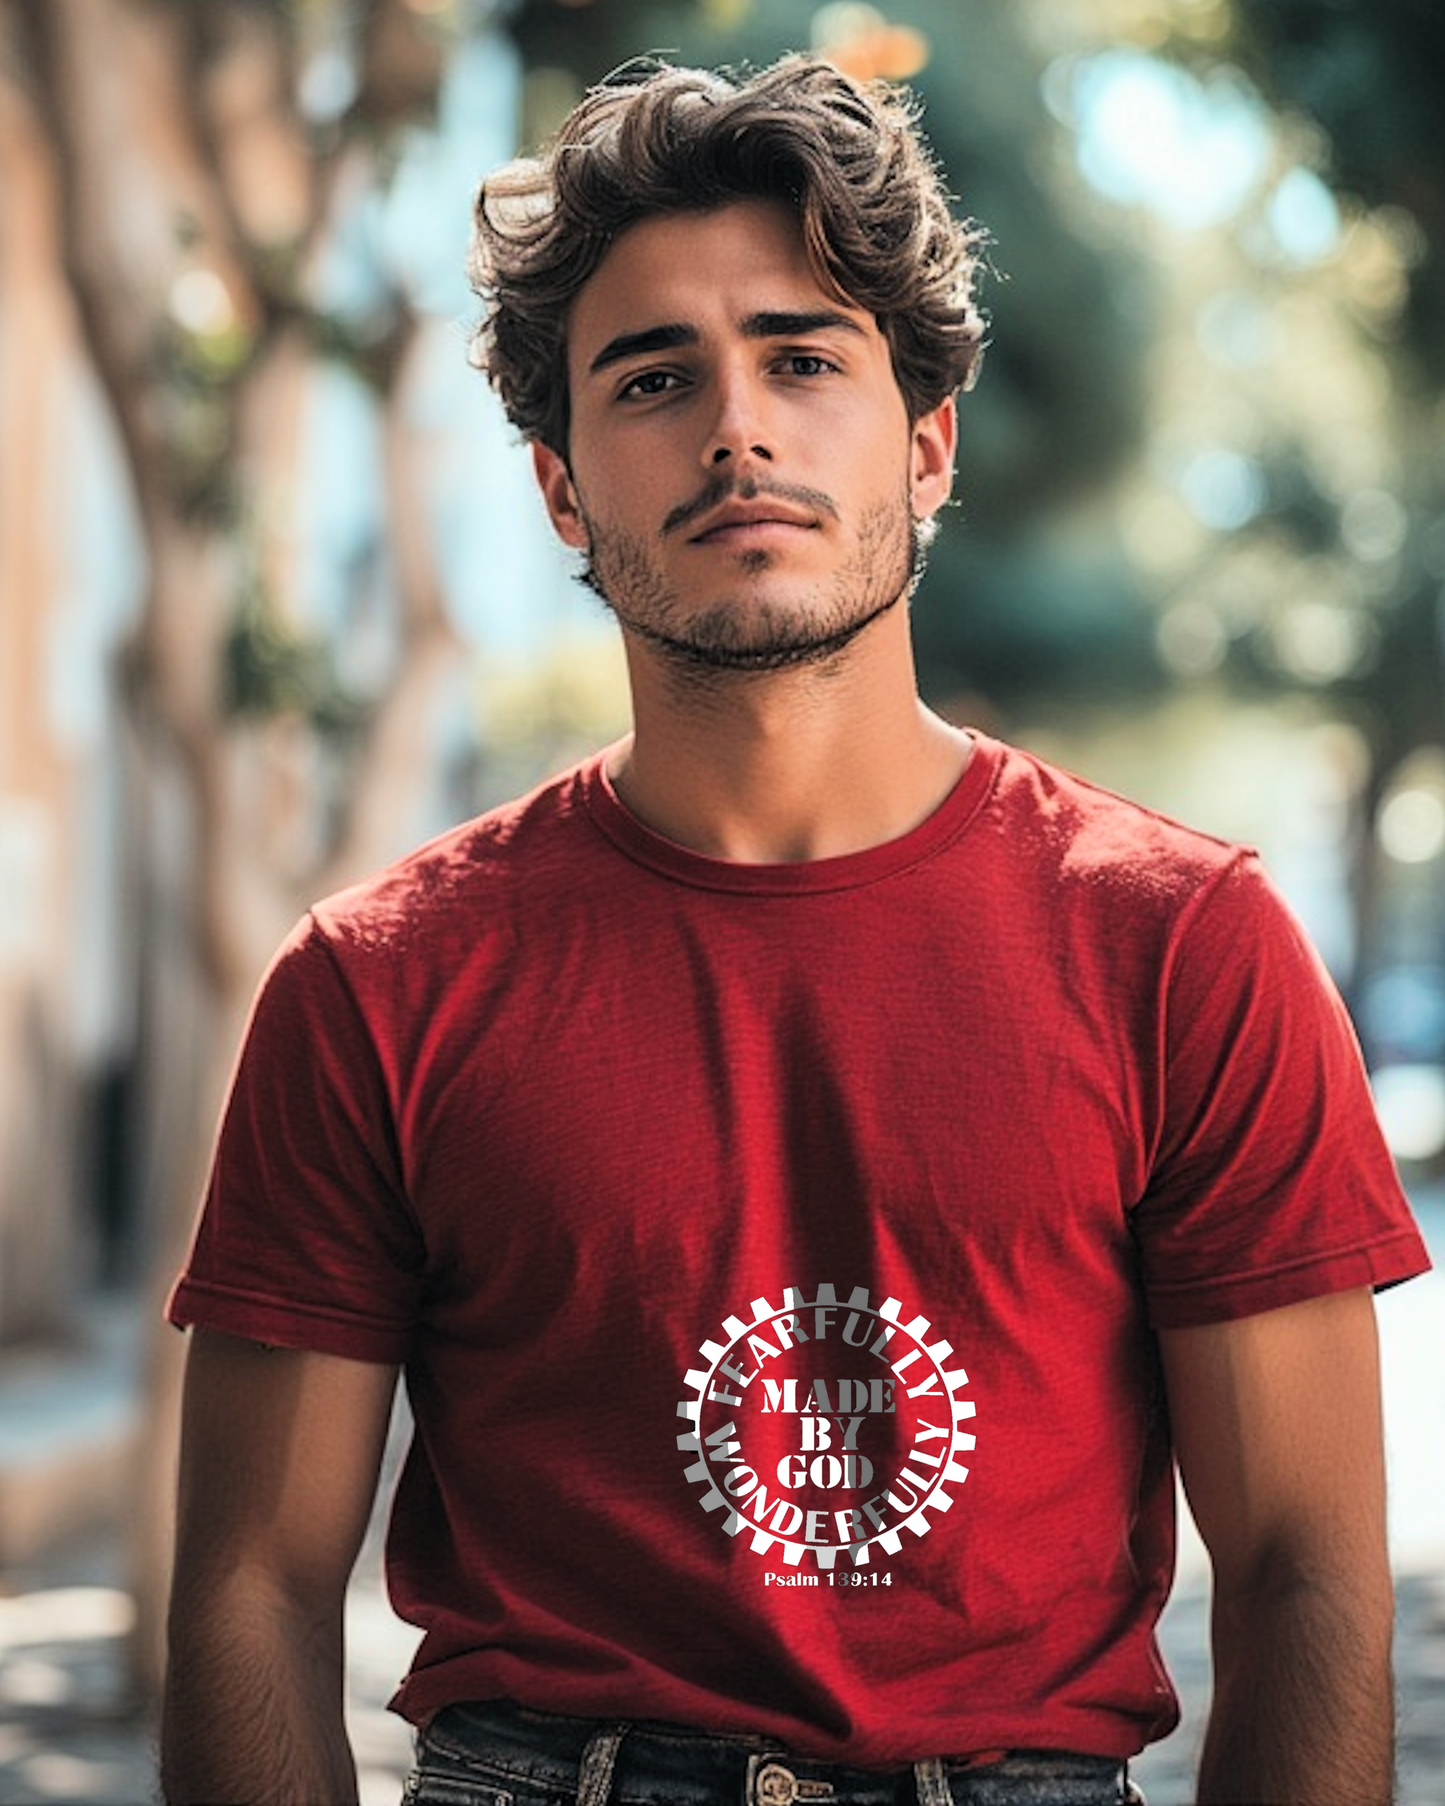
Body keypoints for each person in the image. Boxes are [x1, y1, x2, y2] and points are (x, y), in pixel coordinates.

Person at [160, 51, 1429, 1806]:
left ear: (925, 447)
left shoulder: (1185, 945)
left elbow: (1306, 1572)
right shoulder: (379, 983)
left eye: (803, 357)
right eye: (656, 375)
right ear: (559, 492)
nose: (735, 424)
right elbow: (250, 1585)